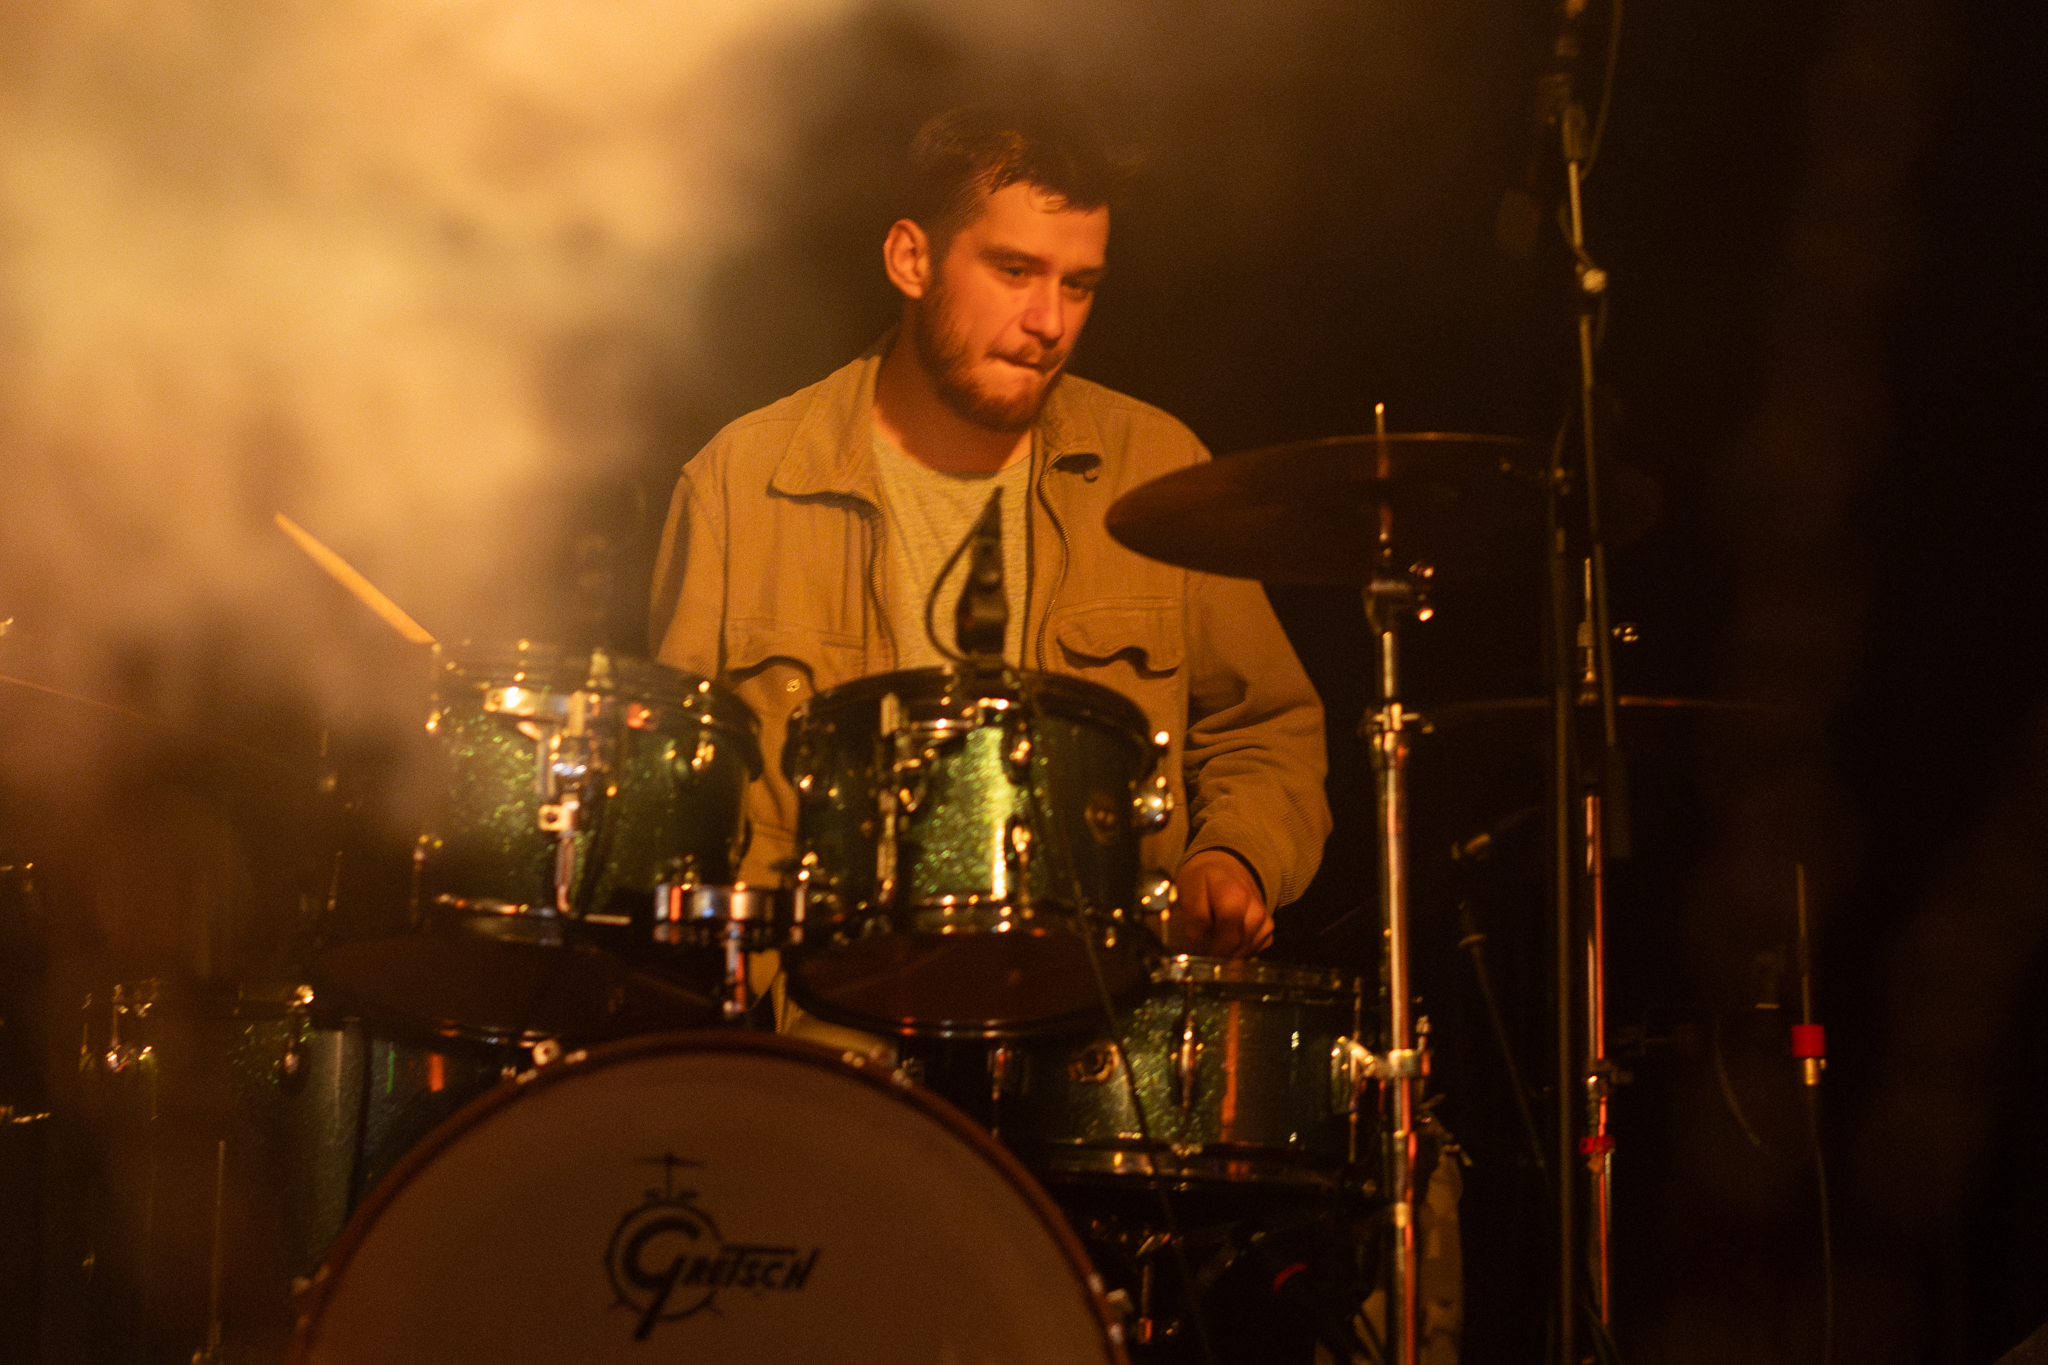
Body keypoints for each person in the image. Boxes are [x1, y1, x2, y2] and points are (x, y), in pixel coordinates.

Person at [649, 104, 1329, 964]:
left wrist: (1234, 856)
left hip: (1098, 1016)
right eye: (1014, 271)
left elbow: (1267, 728)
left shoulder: (1157, 469)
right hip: (823, 1020)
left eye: (1078, 285)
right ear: (911, 259)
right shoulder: (740, 485)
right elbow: (673, 805)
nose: (1050, 322)